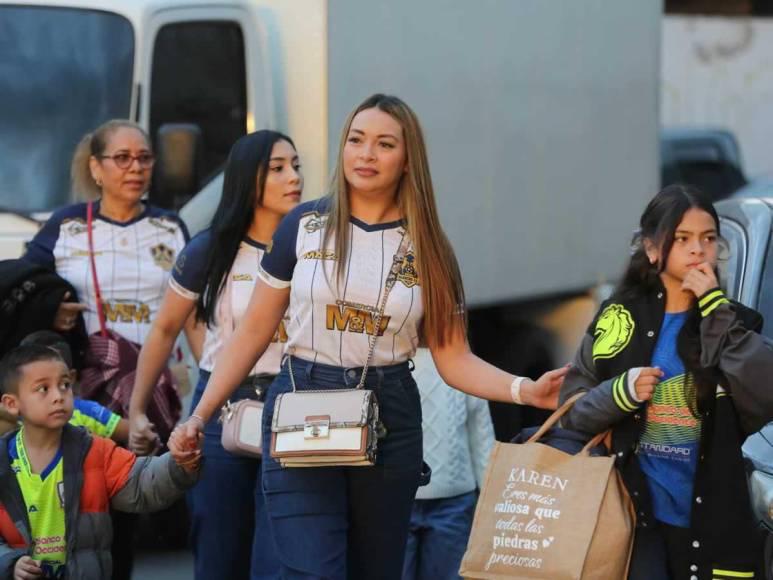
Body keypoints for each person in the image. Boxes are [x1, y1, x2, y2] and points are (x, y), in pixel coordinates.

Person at [176, 93, 567, 579]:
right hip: (302, 400)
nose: (366, 154)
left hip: (390, 413)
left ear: (407, 161)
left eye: (384, 144)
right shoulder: (303, 225)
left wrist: (523, 389)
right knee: (313, 571)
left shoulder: (431, 248)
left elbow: (453, 356)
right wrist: (198, 416)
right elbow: (253, 332)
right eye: (356, 140)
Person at [559, 184, 773, 580]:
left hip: (713, 524)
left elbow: (765, 391)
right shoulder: (618, 318)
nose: (698, 250)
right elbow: (570, 409)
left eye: (708, 239)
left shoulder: (735, 322)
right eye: (683, 238)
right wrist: (618, 394)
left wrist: (713, 306)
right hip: (634, 521)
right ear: (653, 249)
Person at [22, 119, 196, 580]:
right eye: (122, 158)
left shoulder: (170, 227)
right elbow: (21, 283)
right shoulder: (67, 226)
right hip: (86, 392)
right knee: (85, 508)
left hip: (159, 390)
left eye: (143, 158)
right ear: (96, 169)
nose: (135, 168)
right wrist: (52, 304)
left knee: (131, 504)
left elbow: (198, 307)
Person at [129, 130, 302, 579]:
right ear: (249, 179)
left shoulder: (313, 247)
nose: (294, 177)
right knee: (219, 548)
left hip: (294, 406)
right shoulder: (210, 249)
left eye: (296, 166)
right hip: (220, 407)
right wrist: (137, 409)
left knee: (279, 553)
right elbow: (166, 328)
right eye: (278, 168)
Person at [0, 344, 198, 580]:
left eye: (64, 385)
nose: (58, 396)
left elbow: (142, 484)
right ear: (12, 404)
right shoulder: (3, 460)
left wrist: (179, 462)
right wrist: (8, 563)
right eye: (43, 388)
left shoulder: (95, 450)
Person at [402, 348, 494, 580]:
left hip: (454, 503)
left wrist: (492, 504)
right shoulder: (386, 359)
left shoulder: (464, 363)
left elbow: (482, 437)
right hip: (396, 502)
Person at [19, 331, 129, 444]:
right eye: (42, 387)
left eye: (61, 382)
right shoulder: (13, 421)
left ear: (71, 378)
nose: (56, 396)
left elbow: (135, 432)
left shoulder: (87, 412)